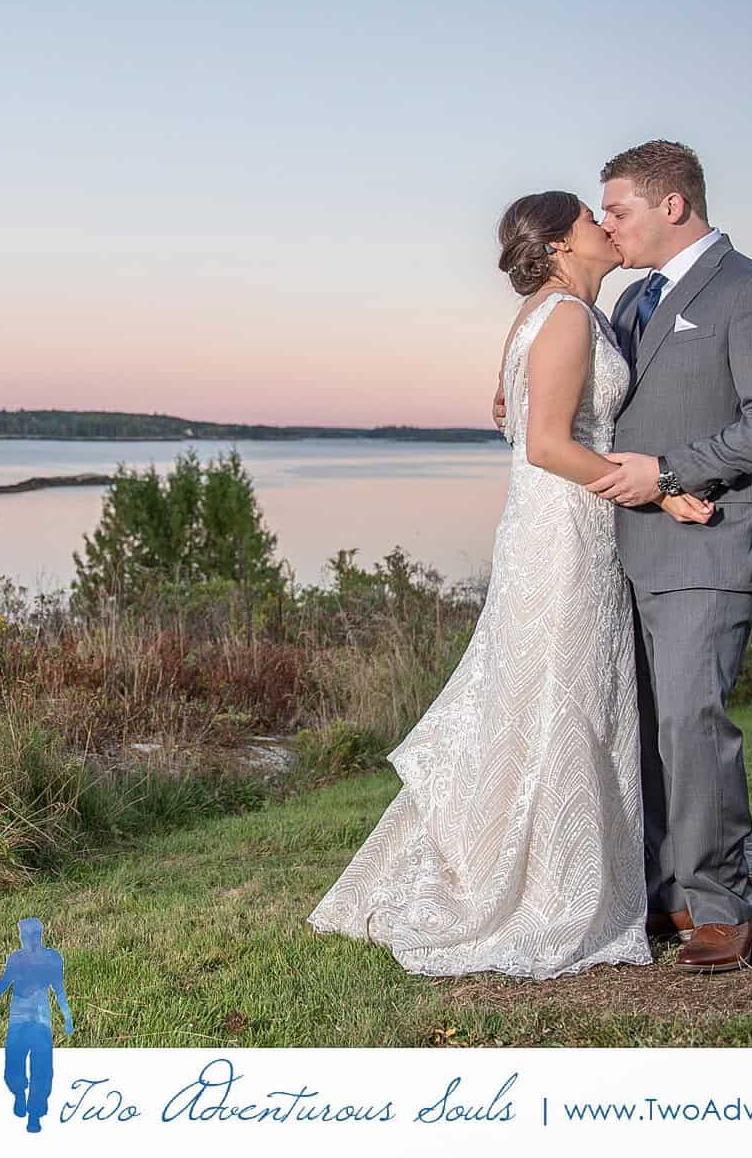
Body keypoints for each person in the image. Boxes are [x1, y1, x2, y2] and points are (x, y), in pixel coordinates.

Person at [308, 190, 712, 978]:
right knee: (562, 695)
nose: (607, 228)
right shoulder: (563, 317)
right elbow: (548, 447)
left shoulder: (545, 313)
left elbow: (510, 410)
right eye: (594, 221)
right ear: (563, 243)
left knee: (547, 693)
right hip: (565, 527)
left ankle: (564, 866)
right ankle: (550, 888)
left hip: (558, 526)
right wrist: (661, 489)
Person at [581, 139, 752, 971]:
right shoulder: (631, 302)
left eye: (618, 208)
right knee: (639, 728)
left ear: (671, 205)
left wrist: (671, 472)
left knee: (688, 721)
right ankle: (664, 892)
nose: (606, 224)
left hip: (709, 539)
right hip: (625, 550)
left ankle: (721, 908)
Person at [0, 918, 73, 1132]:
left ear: (41, 935)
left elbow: (58, 989)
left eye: (34, 936)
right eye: (25, 936)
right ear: (20, 936)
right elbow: (5, 982)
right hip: (18, 1017)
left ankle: (34, 1113)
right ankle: (19, 1093)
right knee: (14, 1061)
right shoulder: (16, 959)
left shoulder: (52, 959)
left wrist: (67, 1017)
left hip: (41, 1019)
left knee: (41, 1066)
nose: (29, 941)